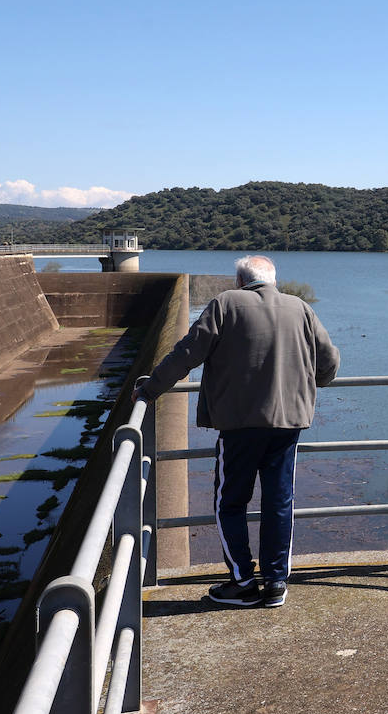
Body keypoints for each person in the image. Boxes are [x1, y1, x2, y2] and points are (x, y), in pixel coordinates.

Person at [136, 254, 339, 608]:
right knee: (280, 501)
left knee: (230, 502)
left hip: (240, 426)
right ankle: (276, 583)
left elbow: (187, 354)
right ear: (274, 280)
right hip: (288, 425)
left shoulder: (226, 303)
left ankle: (243, 582)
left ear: (241, 280)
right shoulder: (300, 308)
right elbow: (329, 362)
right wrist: (316, 381)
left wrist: (151, 389)